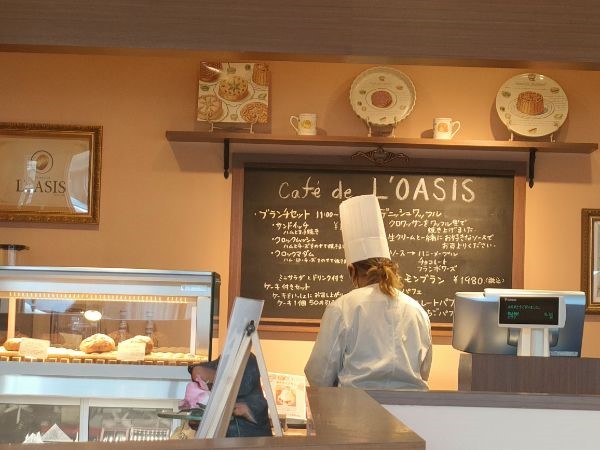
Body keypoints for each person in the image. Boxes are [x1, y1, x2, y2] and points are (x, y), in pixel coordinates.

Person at [304, 194, 432, 390]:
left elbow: (319, 375)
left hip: (355, 406)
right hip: (410, 407)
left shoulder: (342, 308)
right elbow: (424, 369)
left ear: (352, 270)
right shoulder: (417, 310)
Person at [187, 353, 273, 437]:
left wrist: (244, 410)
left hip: (249, 440)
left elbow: (257, 409)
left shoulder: (254, 399)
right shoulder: (219, 395)